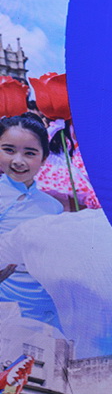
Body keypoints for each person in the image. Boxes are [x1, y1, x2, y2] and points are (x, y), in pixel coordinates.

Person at [0, 114, 63, 327]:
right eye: (9, 150)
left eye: (30, 153)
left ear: (44, 158)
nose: (18, 161)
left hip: (47, 310)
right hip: (5, 308)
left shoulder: (53, 206)